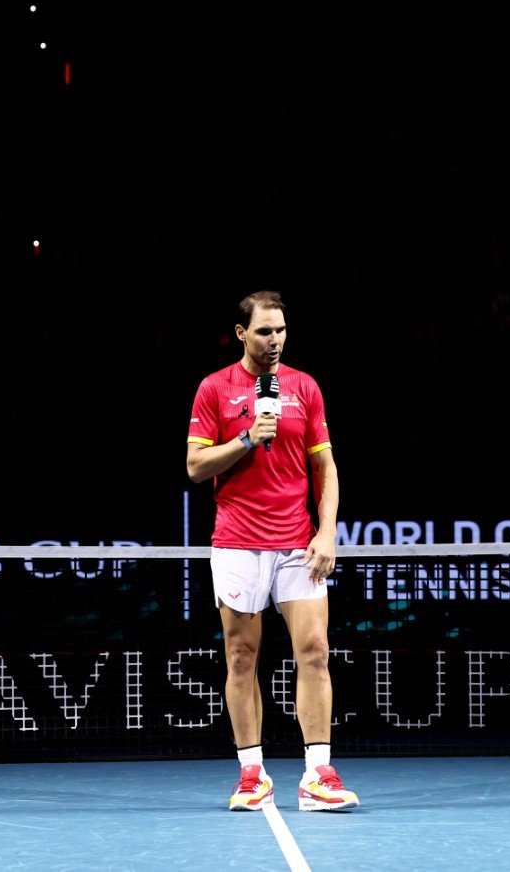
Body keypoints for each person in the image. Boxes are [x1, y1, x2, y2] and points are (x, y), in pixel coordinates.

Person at [185, 290, 359, 813]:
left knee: (315, 653)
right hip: (237, 542)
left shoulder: (305, 388)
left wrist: (326, 532)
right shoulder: (214, 389)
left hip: (296, 543)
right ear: (242, 333)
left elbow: (325, 468)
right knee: (241, 657)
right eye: (264, 331)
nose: (275, 340)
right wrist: (244, 439)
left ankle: (317, 775)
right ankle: (251, 775)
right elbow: (195, 467)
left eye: (281, 330)